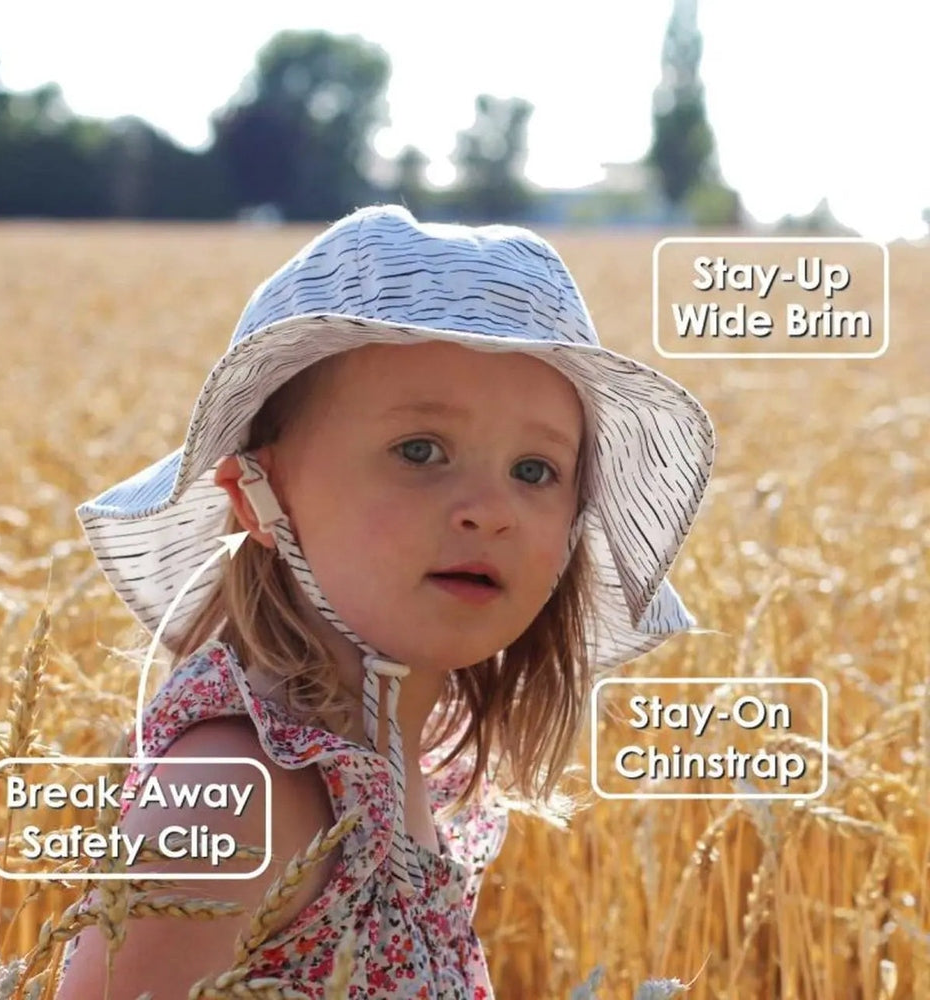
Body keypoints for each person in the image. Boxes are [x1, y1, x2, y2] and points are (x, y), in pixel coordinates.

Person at [55, 204, 715, 998]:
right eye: (420, 451)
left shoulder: (398, 761)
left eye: (535, 471)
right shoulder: (247, 791)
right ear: (256, 498)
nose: (490, 508)